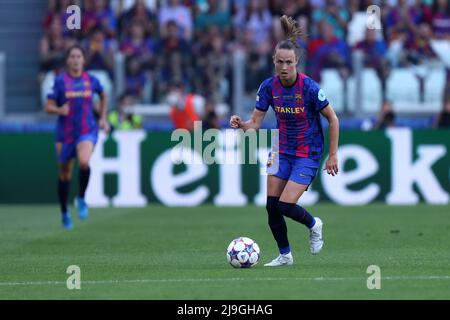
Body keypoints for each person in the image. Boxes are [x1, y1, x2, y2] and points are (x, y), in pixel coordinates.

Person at [230, 15, 339, 267]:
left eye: (288, 62)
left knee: (286, 205)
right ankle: (285, 255)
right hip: (281, 149)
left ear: (296, 62)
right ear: (274, 61)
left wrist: (332, 154)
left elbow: (333, 119)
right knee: (271, 207)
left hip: (307, 152)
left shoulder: (310, 88)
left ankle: (314, 224)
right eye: (279, 62)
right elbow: (255, 123)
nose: (284, 67)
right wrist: (243, 125)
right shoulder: (268, 87)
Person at [45, 45, 110, 229]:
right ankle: (64, 211)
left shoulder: (91, 80)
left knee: (84, 162)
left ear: (83, 59)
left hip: (86, 130)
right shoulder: (59, 81)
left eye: (78, 56)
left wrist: (103, 117)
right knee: (65, 173)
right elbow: (48, 106)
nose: (75, 59)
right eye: (72, 56)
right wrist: (59, 109)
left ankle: (81, 198)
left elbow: (104, 95)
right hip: (65, 133)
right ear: (67, 60)